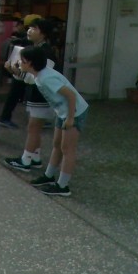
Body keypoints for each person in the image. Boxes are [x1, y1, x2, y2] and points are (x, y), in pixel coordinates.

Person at [20, 45, 89, 197]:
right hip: (63, 112)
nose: (20, 63)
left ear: (30, 63)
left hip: (75, 112)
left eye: (22, 60)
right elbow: (25, 78)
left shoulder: (46, 78)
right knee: (57, 144)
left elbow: (71, 95)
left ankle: (63, 186)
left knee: (67, 149)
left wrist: (70, 118)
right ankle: (49, 176)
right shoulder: (38, 75)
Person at [4, 18, 56, 171]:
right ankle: (35, 158)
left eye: (34, 28)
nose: (29, 30)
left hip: (42, 96)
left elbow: (38, 78)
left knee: (33, 128)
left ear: (43, 33)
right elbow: (29, 77)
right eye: (29, 27)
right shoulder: (36, 49)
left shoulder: (46, 52)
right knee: (35, 128)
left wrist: (16, 71)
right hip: (36, 95)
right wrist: (14, 71)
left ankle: (26, 160)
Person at [0, 15, 38, 128]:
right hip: (23, 71)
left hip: (19, 70)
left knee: (14, 95)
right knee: (17, 95)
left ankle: (5, 117)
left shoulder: (19, 38)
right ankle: (5, 117)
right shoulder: (28, 41)